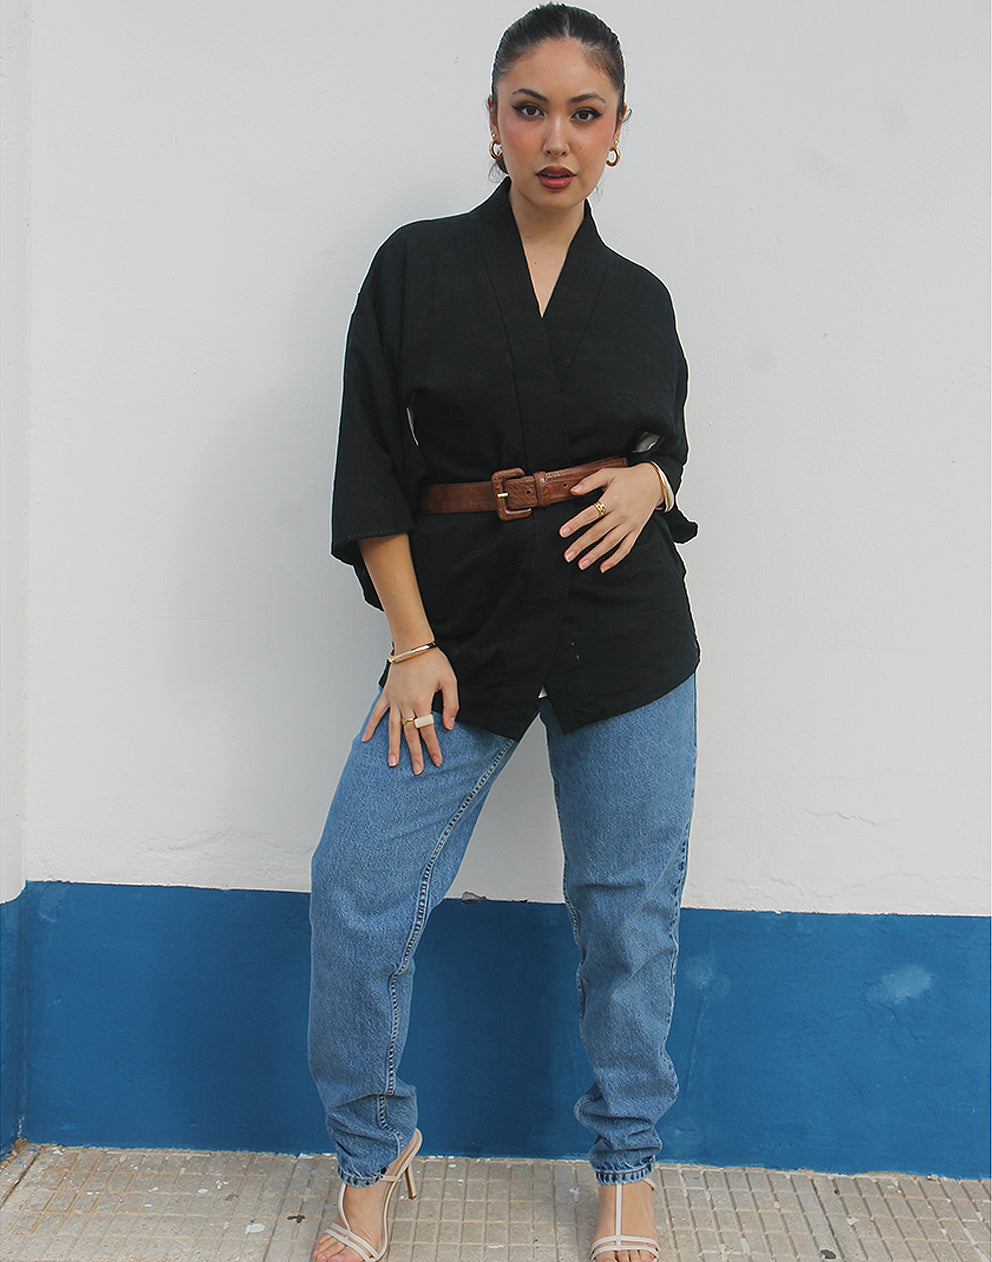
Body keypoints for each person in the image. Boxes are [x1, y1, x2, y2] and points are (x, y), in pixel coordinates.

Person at [308, 6, 699, 1260]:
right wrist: (411, 643)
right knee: (358, 888)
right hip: (458, 632)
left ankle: (627, 1163)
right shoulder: (416, 265)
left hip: (622, 629)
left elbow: (657, 442)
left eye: (584, 113)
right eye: (528, 107)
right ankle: (372, 1152)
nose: (554, 136)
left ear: (618, 134)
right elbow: (372, 462)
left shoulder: (638, 298)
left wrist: (652, 482)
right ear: (490, 120)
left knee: (626, 908)